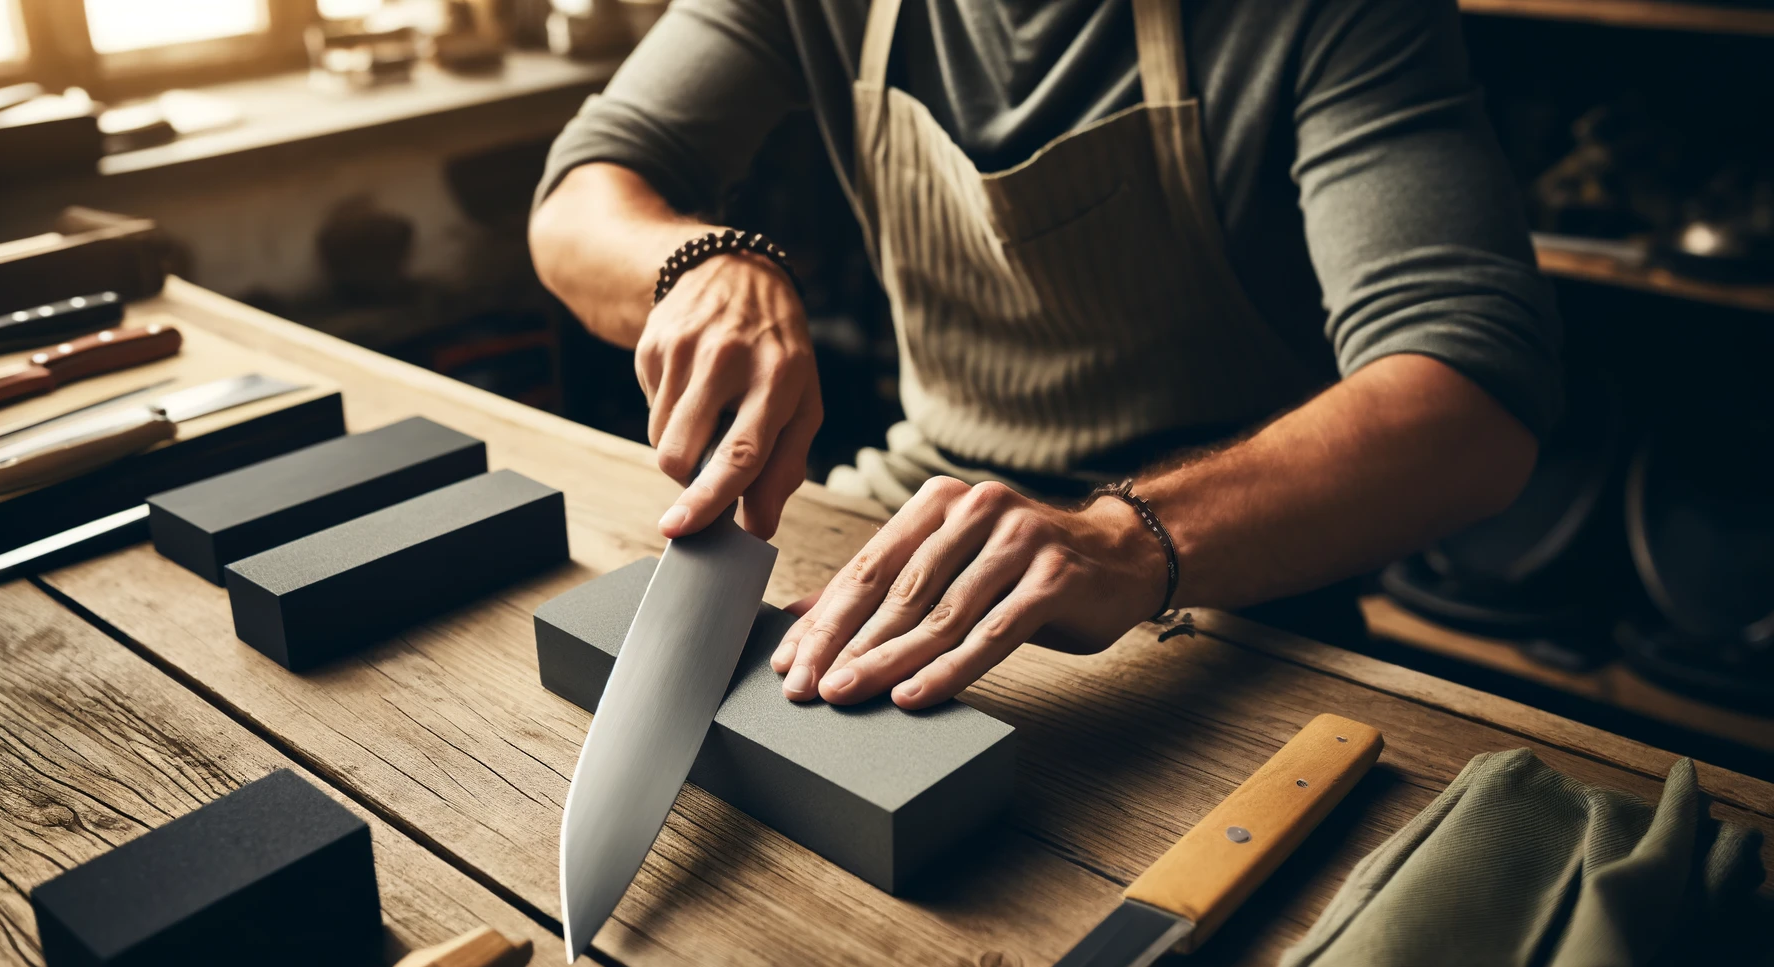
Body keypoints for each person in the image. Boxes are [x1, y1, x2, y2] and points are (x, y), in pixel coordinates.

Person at [529, 0, 1561, 711]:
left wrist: (1119, 539)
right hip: (906, 510)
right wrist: (698, 263)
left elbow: (1469, 398)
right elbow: (578, 200)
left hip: (1217, 580)